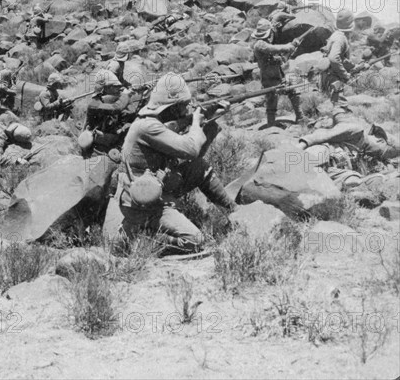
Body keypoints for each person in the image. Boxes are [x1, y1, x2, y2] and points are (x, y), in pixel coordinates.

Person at [113, 73, 234, 254]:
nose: (186, 109)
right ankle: (140, 236)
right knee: (194, 240)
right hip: (143, 201)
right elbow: (191, 148)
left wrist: (209, 121)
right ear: (171, 107)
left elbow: (195, 155)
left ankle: (232, 211)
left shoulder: (156, 123)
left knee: (198, 167)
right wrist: (195, 122)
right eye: (183, 106)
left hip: (159, 188)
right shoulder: (148, 127)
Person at [298, 104, 400, 163]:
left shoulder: (365, 154)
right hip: (313, 154)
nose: (378, 155)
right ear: (380, 140)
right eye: (381, 153)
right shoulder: (357, 131)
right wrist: (298, 148)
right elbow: (324, 135)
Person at [252, 19, 304, 127]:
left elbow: (276, 56)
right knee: (271, 101)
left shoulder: (264, 43)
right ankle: (271, 125)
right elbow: (274, 49)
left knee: (292, 91)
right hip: (268, 78)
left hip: (278, 74)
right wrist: (290, 46)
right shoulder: (260, 44)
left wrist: (287, 52)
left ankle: (300, 117)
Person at [78, 70, 136, 157]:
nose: (118, 88)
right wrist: (125, 96)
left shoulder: (104, 100)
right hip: (99, 144)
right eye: (115, 86)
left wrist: (138, 90)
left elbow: (128, 111)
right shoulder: (94, 104)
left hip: (108, 135)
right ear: (105, 88)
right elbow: (116, 108)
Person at [319, 11, 365, 106]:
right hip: (333, 78)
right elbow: (334, 58)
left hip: (329, 75)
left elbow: (340, 58)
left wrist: (354, 66)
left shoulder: (337, 35)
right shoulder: (340, 38)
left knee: (334, 105)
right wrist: (345, 75)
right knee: (340, 107)